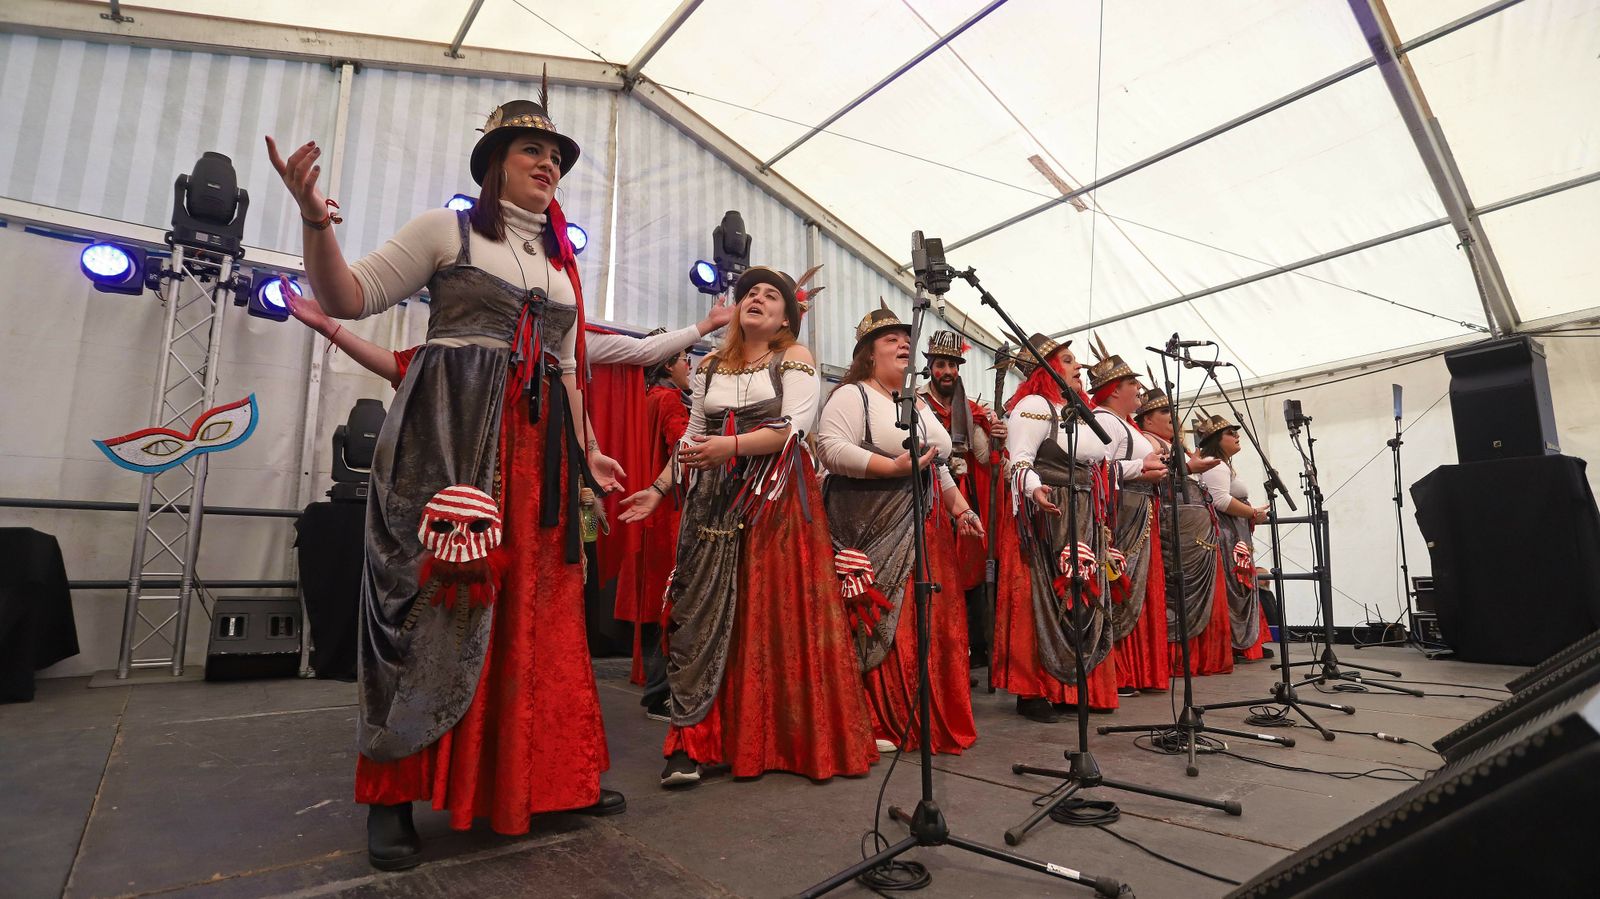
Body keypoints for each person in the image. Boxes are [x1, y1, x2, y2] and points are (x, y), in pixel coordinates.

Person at [267, 88, 628, 870]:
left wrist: (589, 448)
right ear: (495, 162)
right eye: (533, 151)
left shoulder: (565, 268)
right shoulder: (447, 229)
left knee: (539, 609)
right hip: (449, 441)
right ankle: (393, 791)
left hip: (540, 457)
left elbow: (565, 368)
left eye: (557, 156)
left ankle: (548, 773)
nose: (549, 164)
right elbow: (346, 297)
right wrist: (312, 220)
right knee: (429, 600)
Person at [616, 267, 877, 788]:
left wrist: (729, 447)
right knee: (699, 616)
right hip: (711, 502)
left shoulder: (794, 359)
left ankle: (778, 736)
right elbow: (691, 438)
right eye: (750, 293)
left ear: (786, 316)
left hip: (774, 503)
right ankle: (692, 742)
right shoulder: (709, 365)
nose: (757, 299)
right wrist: (661, 487)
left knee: (769, 616)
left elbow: (793, 429)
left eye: (771, 295)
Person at [816, 308, 983, 754]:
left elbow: (935, 464)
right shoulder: (852, 395)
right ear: (868, 355)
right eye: (891, 340)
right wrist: (889, 467)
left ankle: (915, 710)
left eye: (906, 340)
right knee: (878, 622)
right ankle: (870, 716)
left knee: (918, 623)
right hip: (872, 520)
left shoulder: (915, 405)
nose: (903, 345)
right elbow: (829, 449)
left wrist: (961, 509)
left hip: (924, 530)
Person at [991, 334, 1119, 722]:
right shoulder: (1033, 405)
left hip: (1083, 509)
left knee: (1082, 589)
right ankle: (1033, 690)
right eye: (1067, 360)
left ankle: (1074, 686)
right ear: (1045, 369)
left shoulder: (1076, 410)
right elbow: (1019, 461)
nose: (1078, 367)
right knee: (1042, 597)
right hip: (1049, 511)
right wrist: (1034, 491)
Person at [917, 329, 1007, 670]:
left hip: (961, 498)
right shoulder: (917, 402)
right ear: (930, 367)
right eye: (941, 364)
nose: (948, 372)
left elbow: (984, 457)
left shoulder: (971, 410)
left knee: (966, 576)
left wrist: (996, 435)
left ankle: (968, 651)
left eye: (953, 365)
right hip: (928, 495)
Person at [1085, 338, 1169, 697]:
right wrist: (1141, 469)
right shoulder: (1105, 422)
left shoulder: (1125, 424)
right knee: (1121, 587)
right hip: (1121, 514)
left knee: (1134, 590)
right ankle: (1116, 669)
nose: (1140, 389)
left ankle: (1135, 669)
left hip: (1139, 508)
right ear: (1116, 389)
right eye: (1133, 383)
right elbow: (1098, 470)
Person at [1136, 390, 1232, 676]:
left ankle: (1196, 657)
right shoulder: (1148, 442)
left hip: (1192, 532)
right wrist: (1187, 466)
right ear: (1147, 419)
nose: (1172, 417)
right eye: (1163, 412)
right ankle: (1174, 657)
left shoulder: (1169, 443)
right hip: (1169, 528)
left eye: (1172, 411)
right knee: (1175, 593)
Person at [630, 329, 693, 722]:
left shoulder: (646, 398)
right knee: (675, 599)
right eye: (685, 358)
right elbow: (684, 449)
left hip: (651, 513)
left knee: (657, 600)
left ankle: (655, 687)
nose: (690, 365)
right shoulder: (670, 401)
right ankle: (661, 694)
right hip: (670, 512)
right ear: (668, 363)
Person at [1192, 412, 1273, 661]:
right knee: (1233, 585)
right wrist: (1252, 512)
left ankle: (1243, 642)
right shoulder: (1214, 464)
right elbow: (1220, 501)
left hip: (1234, 532)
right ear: (1216, 439)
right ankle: (1234, 644)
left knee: (1239, 585)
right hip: (1226, 535)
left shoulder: (1222, 464)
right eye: (1230, 432)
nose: (1237, 436)